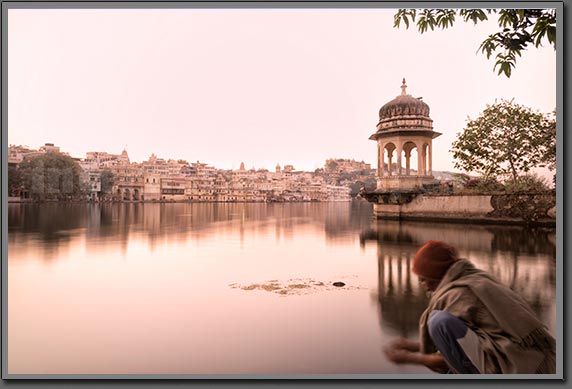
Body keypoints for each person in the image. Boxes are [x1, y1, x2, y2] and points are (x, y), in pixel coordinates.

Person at [384, 240, 556, 374]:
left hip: (514, 364)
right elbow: (463, 342)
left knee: (438, 321)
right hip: (530, 356)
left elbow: (448, 357)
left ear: (435, 275)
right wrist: (414, 345)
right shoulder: (475, 278)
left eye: (423, 278)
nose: (422, 284)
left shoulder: (459, 295)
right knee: (440, 323)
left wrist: (409, 358)